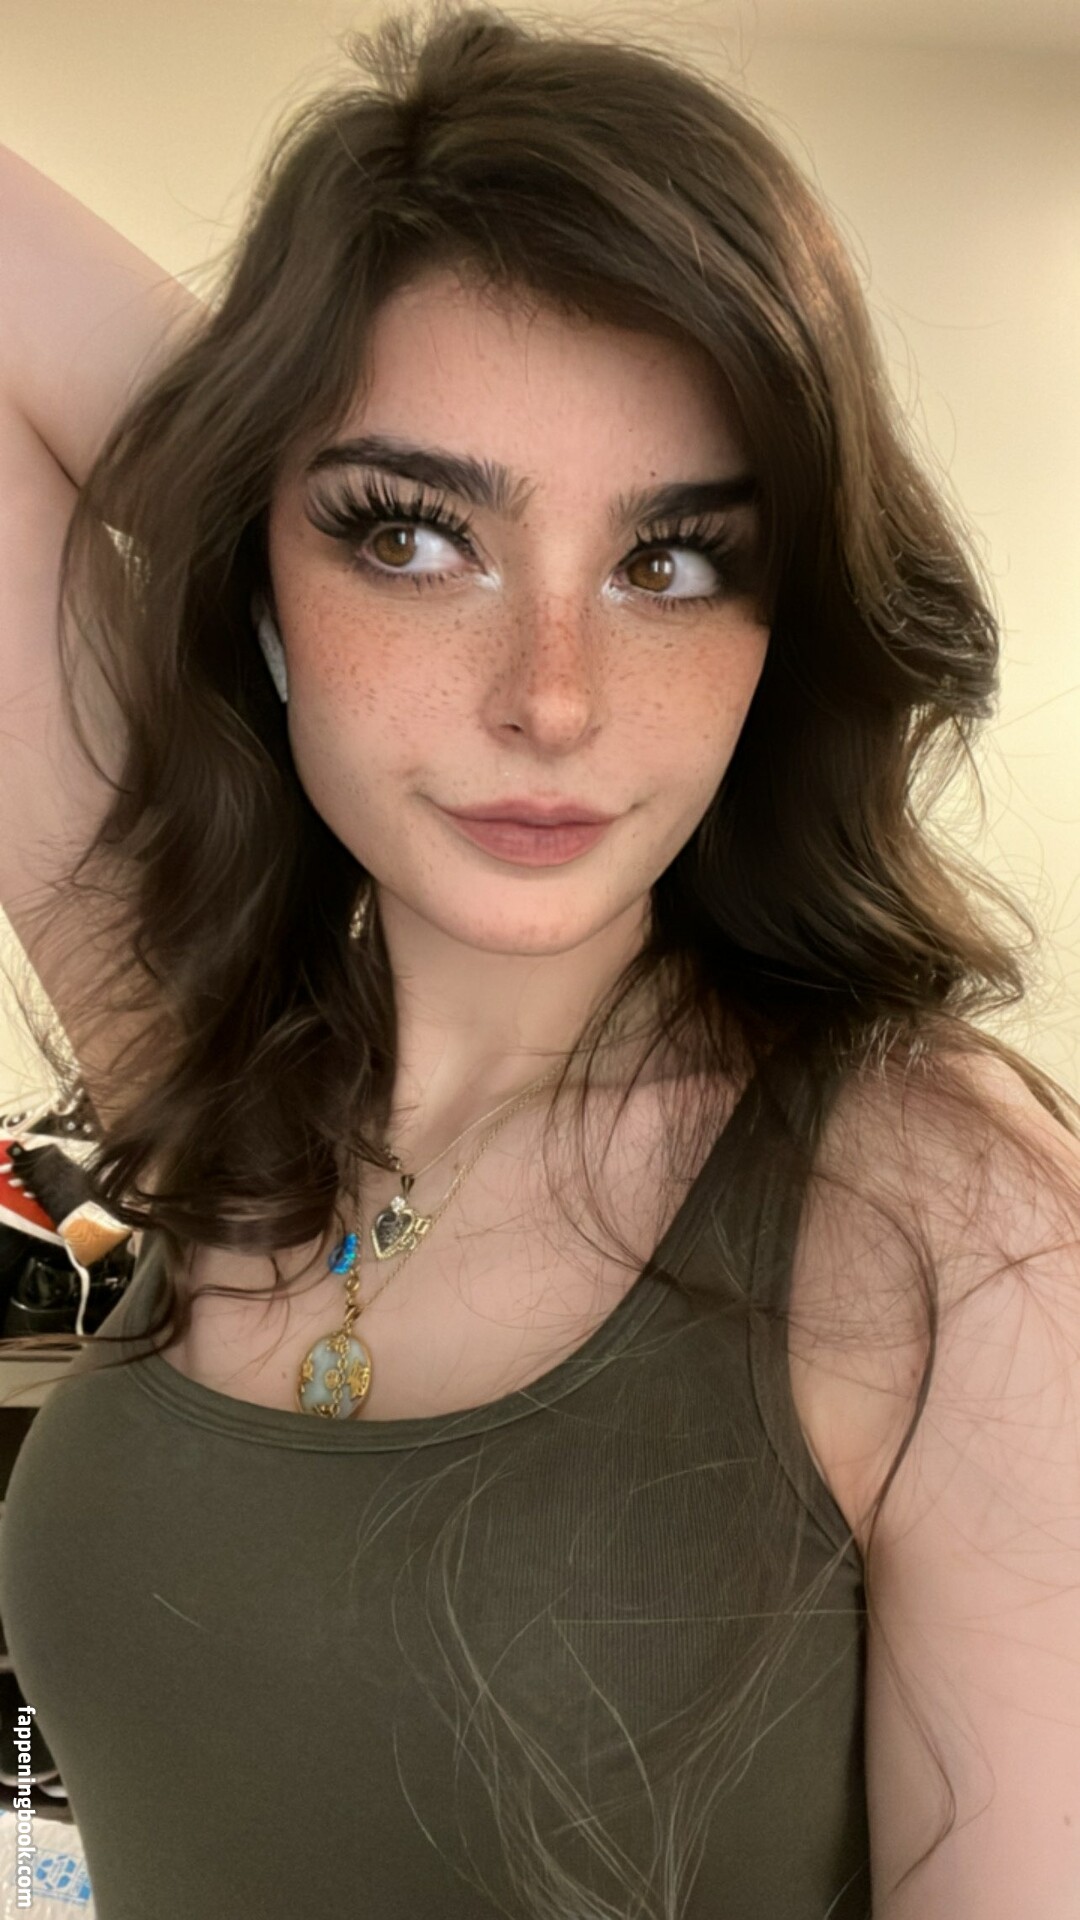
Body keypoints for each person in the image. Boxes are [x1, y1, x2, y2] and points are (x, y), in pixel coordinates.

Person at [0, 4, 1078, 1916]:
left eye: (671, 562)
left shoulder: (938, 1212)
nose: (554, 701)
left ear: (783, 625)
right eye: (413, 538)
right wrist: (273, 444)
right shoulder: (226, 1080)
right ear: (263, 571)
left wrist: (346, 504)